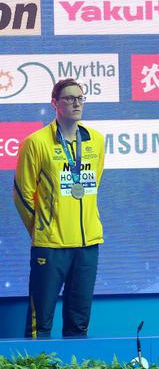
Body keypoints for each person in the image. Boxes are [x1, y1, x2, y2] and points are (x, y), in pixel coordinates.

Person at [13, 78, 105, 337]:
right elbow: (22, 194)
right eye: (69, 98)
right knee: (39, 321)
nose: (76, 103)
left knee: (79, 321)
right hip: (50, 246)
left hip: (87, 244)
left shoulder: (95, 141)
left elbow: (92, 184)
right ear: (55, 103)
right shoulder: (36, 142)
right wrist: (42, 229)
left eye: (80, 98)